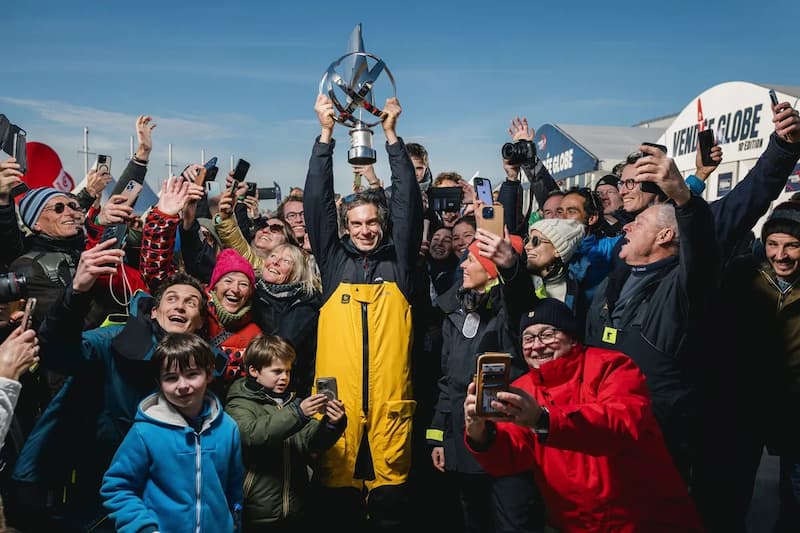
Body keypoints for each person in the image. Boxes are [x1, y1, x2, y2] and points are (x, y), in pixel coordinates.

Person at [10, 240, 222, 532]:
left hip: (150, 495)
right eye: (171, 298)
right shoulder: (113, 341)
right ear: (154, 312)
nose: (180, 306)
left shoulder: (205, 372)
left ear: (199, 323)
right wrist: (76, 292)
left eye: (191, 302)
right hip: (83, 489)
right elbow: (56, 350)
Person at [463, 298, 703, 532]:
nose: (537, 345)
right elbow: (509, 457)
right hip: (576, 523)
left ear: (572, 337)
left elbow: (620, 424)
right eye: (528, 338)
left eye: (547, 334)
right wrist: (479, 433)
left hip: (644, 520)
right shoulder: (524, 389)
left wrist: (544, 419)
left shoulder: (612, 366)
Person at [303, 94, 423, 531]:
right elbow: (316, 203)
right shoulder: (334, 262)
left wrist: (391, 137)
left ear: (382, 224)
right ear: (345, 227)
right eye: (356, 224)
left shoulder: (400, 263)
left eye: (372, 222)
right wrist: (325, 136)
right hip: (339, 411)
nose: (365, 230)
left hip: (391, 412)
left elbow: (408, 203)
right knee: (338, 512)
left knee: (393, 512)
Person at [428, 232, 542, 532]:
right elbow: (447, 380)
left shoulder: (511, 314)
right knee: (473, 521)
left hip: (505, 440)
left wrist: (509, 267)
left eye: (472, 260)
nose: (463, 265)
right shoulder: (455, 312)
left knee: (511, 523)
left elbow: (519, 297)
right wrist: (440, 436)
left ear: (491, 269)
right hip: (464, 441)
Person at [100, 333, 244, 533]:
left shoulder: (228, 428)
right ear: (159, 383)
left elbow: (234, 490)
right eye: (171, 378)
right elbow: (117, 487)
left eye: (192, 374)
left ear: (209, 373)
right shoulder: (145, 431)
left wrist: (234, 523)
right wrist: (143, 528)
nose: (182, 386)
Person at [721, 201, 800, 531]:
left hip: (794, 403)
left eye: (792, 245)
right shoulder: (743, 275)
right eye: (773, 244)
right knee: (733, 484)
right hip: (746, 399)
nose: (781, 255)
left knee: (794, 487)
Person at [224, 334, 346, 532]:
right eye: (277, 371)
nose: (284, 378)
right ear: (254, 371)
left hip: (296, 509)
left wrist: (332, 424)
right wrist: (298, 413)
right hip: (257, 512)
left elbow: (311, 442)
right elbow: (252, 435)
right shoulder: (240, 402)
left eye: (288, 371)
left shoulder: (290, 402)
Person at [251, 243, 322, 397]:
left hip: (290, 391)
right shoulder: (253, 291)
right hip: (253, 383)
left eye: (286, 261)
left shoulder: (306, 303)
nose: (275, 262)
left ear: (297, 272)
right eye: (273, 256)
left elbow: (282, 346)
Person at [523, 218, 584, 306]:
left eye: (535, 241)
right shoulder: (519, 279)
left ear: (557, 251)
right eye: (527, 240)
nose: (527, 247)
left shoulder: (571, 291)